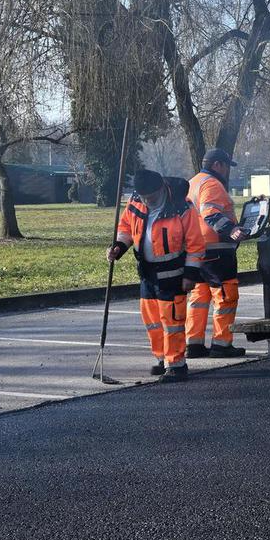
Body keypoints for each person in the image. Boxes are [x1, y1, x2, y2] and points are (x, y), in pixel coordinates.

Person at [107, 169, 205, 382]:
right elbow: (125, 228)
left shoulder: (182, 207)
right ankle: (162, 359)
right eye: (144, 198)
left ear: (162, 188)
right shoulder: (136, 202)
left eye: (151, 197)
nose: (147, 202)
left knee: (172, 321)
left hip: (173, 274)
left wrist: (190, 274)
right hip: (147, 273)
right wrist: (118, 247)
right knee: (151, 319)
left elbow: (196, 245)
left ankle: (177, 365)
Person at [185, 149, 249, 359]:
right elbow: (210, 213)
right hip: (216, 251)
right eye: (226, 166)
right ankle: (221, 344)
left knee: (199, 297)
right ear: (217, 165)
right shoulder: (212, 184)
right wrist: (231, 230)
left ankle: (193, 344)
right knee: (225, 296)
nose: (228, 171)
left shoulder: (193, 182)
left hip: (196, 251)